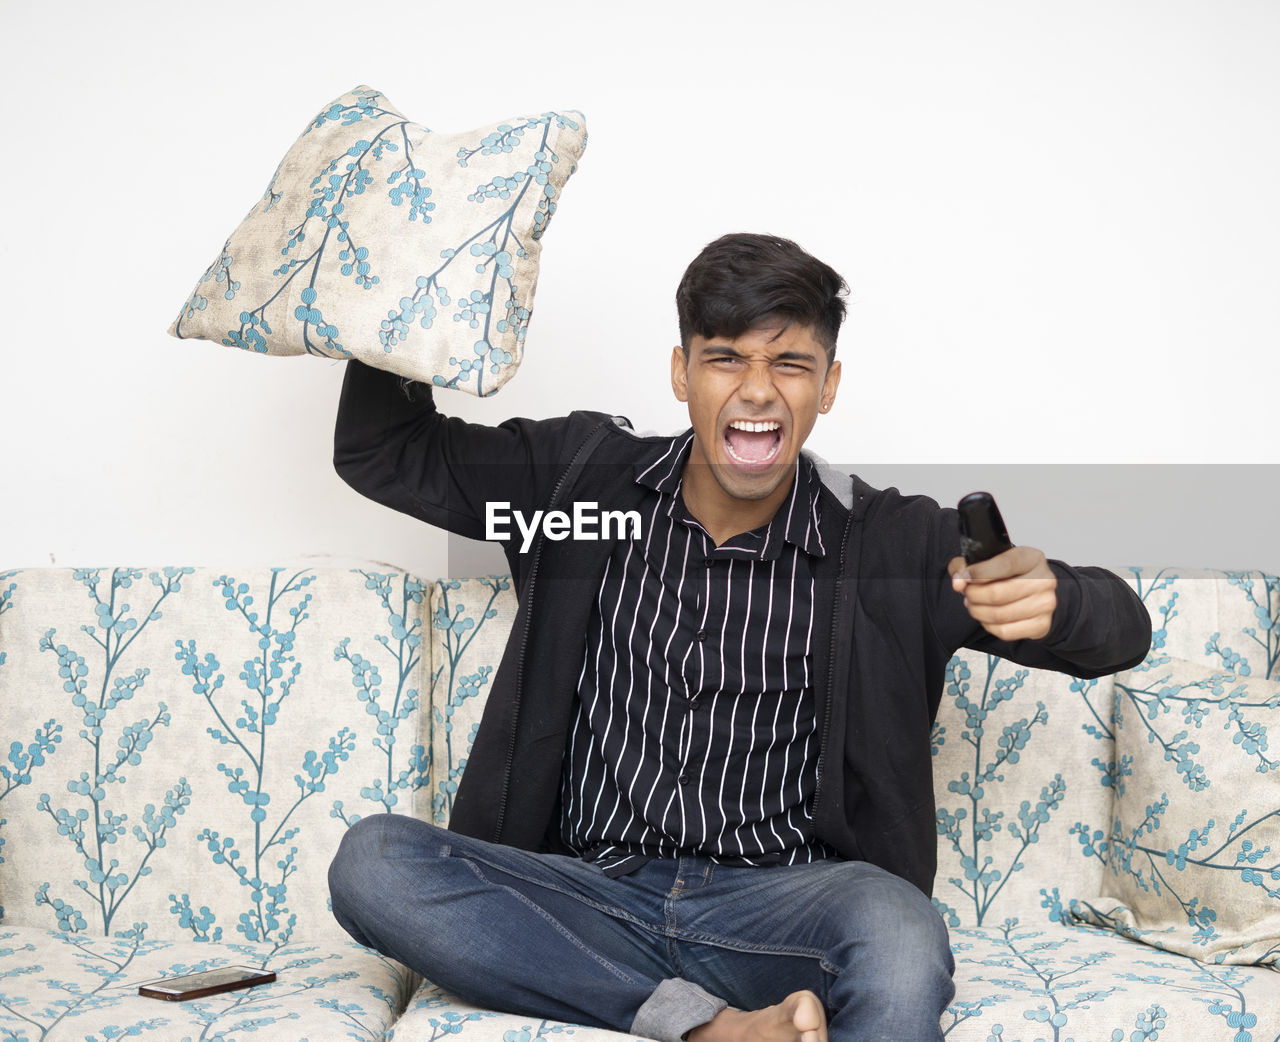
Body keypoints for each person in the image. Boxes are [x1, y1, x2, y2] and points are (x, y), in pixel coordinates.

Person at [327, 232, 1152, 1042]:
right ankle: (714, 1029)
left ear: (827, 387)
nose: (757, 389)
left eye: (789, 364)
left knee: (900, 931)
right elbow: (382, 450)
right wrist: (414, 259)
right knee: (373, 862)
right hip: (590, 899)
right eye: (726, 357)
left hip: (783, 914)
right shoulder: (574, 485)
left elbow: (1123, 632)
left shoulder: (889, 543)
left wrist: (1059, 600)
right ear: (682, 371)